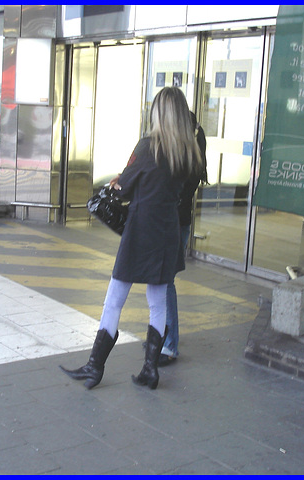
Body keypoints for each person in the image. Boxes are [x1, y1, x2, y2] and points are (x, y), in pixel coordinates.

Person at [60, 87, 204, 390]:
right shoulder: (189, 151)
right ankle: (151, 369)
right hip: (167, 231)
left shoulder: (147, 145)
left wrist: (120, 182)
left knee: (115, 299)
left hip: (140, 231)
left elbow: (124, 187)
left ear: (157, 113)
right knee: (157, 301)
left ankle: (94, 367)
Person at [159, 111, 208, 366]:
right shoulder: (197, 142)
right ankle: (162, 336)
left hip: (174, 222)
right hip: (179, 221)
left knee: (165, 283)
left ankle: (168, 345)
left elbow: (176, 189)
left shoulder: (186, 151)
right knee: (162, 281)